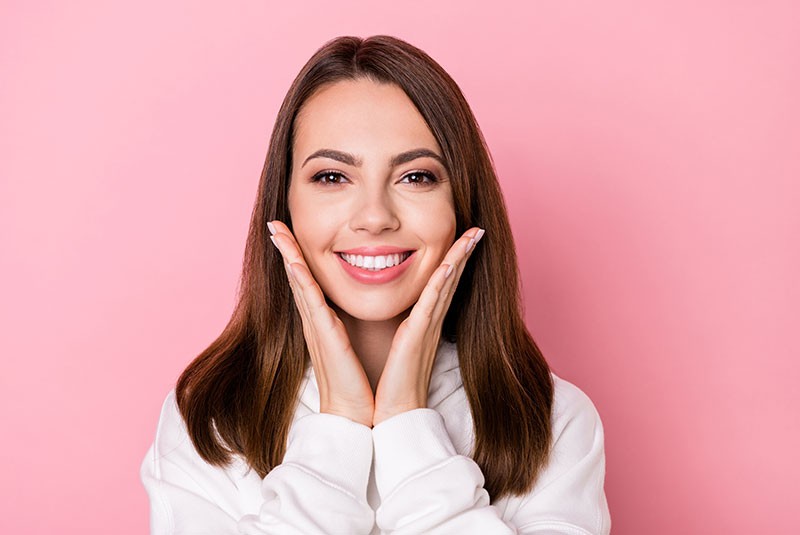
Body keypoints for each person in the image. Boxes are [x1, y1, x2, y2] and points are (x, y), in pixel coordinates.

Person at [140, 35, 611, 534]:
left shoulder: (552, 421)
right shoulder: (208, 420)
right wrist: (338, 423)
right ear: (287, 205)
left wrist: (406, 422)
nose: (374, 217)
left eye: (415, 177)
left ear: (463, 205)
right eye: (332, 177)